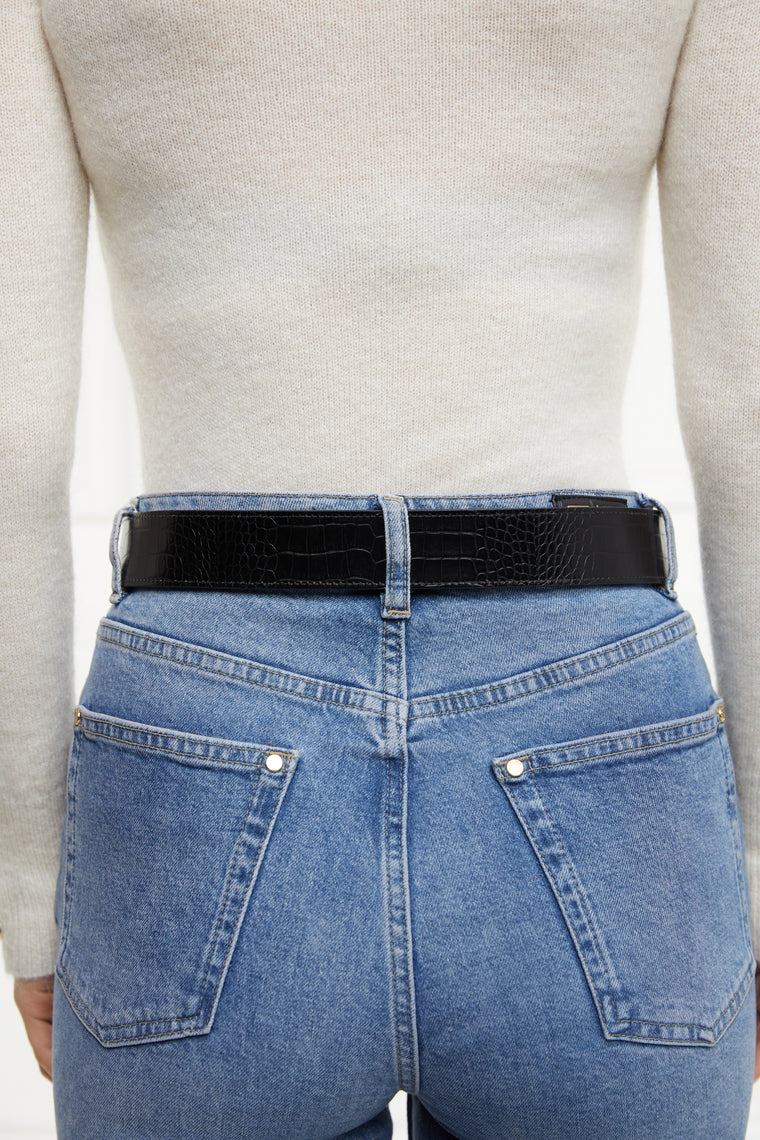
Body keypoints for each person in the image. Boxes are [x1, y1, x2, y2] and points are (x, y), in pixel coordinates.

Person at [2, 1, 758, 1136]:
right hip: (596, 726)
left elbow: (8, 442)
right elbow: (751, 415)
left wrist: (31, 895)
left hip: (202, 723)